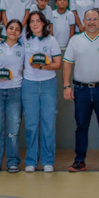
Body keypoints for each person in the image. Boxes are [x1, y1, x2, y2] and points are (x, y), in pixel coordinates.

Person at [63, 9, 99, 172]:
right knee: (81, 126)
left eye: (94, 19)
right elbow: (67, 63)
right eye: (88, 19)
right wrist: (66, 86)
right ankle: (80, 161)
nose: (91, 22)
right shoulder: (75, 40)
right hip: (80, 90)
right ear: (83, 20)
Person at [21, 11, 63, 173]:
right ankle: (31, 160)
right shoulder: (24, 39)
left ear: (44, 23)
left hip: (48, 84)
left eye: (38, 21)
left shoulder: (51, 41)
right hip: (29, 84)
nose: (35, 24)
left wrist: (42, 66)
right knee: (31, 124)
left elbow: (57, 63)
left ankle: (47, 161)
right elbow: (8, 40)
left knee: (48, 123)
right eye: (32, 21)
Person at [0, 19, 26, 173]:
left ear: (20, 33)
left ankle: (13, 162)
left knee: (13, 130)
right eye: (10, 28)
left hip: (16, 91)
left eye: (16, 29)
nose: (13, 31)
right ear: (5, 30)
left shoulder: (23, 48)